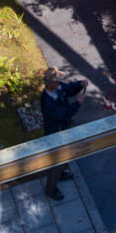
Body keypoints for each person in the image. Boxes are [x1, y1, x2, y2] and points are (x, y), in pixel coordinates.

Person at [40, 66, 88, 200]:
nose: (59, 83)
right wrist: (77, 104)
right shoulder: (47, 101)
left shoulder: (58, 88)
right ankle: (50, 189)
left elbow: (69, 89)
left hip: (63, 130)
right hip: (55, 134)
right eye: (57, 81)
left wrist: (79, 85)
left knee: (62, 158)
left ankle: (59, 174)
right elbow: (62, 114)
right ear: (50, 84)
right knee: (56, 161)